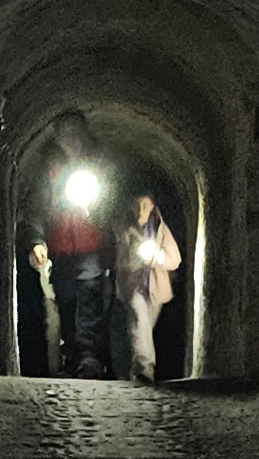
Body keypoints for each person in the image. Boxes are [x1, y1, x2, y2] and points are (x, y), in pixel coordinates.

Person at [24, 112, 115, 379]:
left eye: (75, 132)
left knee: (89, 298)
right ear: (57, 136)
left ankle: (89, 358)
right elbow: (36, 207)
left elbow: (113, 201)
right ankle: (74, 356)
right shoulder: (48, 168)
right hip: (61, 247)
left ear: (83, 133)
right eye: (65, 132)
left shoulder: (98, 162)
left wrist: (95, 212)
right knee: (67, 300)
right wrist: (36, 241)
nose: (71, 138)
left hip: (90, 245)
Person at [114, 190, 182, 384]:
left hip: (154, 288)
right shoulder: (124, 228)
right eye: (137, 206)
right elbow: (119, 260)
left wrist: (156, 257)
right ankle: (144, 370)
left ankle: (131, 369)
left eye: (144, 205)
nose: (140, 210)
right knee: (139, 322)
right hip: (134, 287)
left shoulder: (160, 229)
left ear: (152, 206)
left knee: (143, 328)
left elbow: (175, 259)